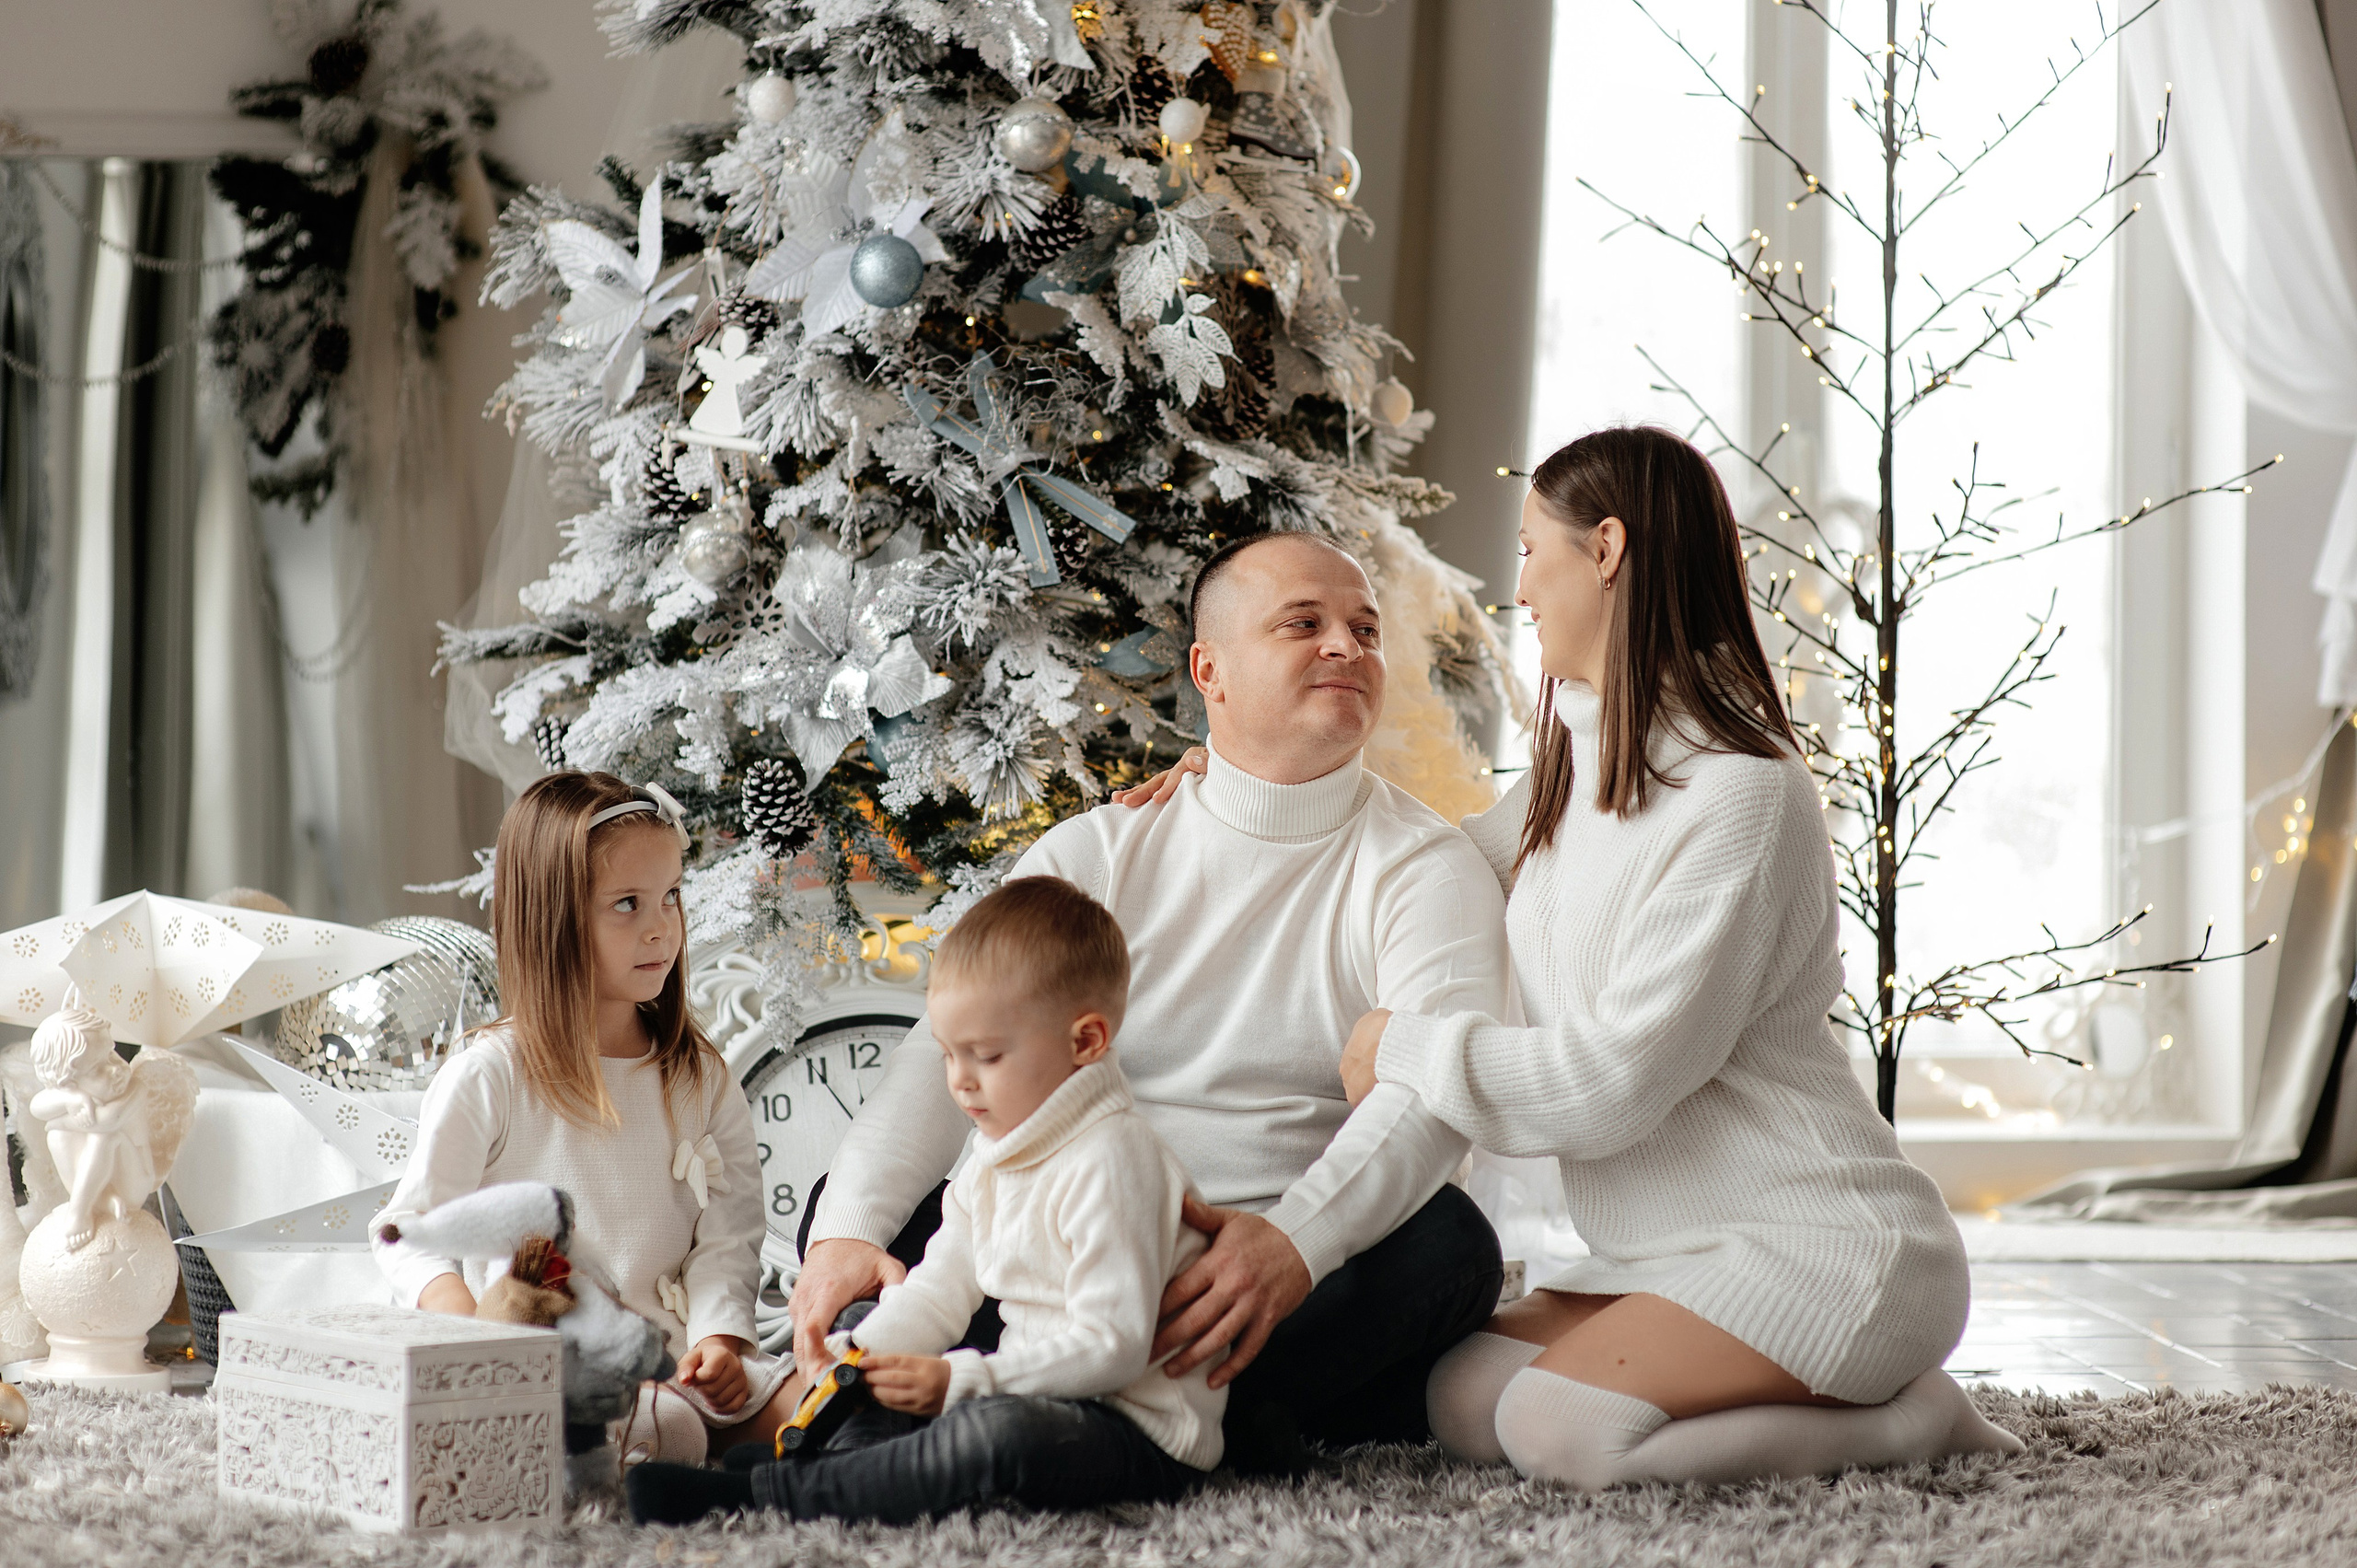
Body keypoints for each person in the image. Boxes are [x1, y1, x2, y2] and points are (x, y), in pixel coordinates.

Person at [1128, 427, 2023, 1488]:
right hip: (1663, 1253)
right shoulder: (1575, 757)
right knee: (1461, 1398)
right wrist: (1241, 783)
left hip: (1820, 1243)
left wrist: (1406, 1046)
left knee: (1565, 1429)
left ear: (1604, 548)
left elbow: (1613, 1080)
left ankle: (1911, 1422)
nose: (1521, 589)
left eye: (1528, 551)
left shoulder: (1742, 790)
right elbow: (1412, 872)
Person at [790, 531, 1514, 1469]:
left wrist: (1294, 1243)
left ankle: (1058, 1408)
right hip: (1076, 1248)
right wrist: (847, 1232)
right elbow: (947, 1049)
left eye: (1366, 630)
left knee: (1452, 1248)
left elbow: (1430, 1101)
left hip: (1256, 1277)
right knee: (850, 1208)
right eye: (1305, 623)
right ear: (1209, 671)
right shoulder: (1100, 849)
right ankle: (1150, 1415)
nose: (1347, 646)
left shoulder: (1421, 863)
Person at [627, 877, 1222, 1525]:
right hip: (1031, 1386)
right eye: (948, 1054)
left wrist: (960, 1382)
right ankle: (834, 1464)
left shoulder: (1115, 1159)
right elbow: (940, 1290)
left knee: (993, 1435)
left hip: (1134, 1426)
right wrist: (857, 1362)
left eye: (986, 1056)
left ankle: (775, 1496)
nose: (960, 1081)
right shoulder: (999, 1155)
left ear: (1085, 1042)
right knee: (867, 1328)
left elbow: (1113, 1347)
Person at [374, 772, 789, 1467]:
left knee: (820, 1405)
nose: (661, 926)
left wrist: (721, 1339)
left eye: (671, 897)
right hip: (552, 1369)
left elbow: (731, 1232)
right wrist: (472, 1333)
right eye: (627, 903)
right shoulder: (492, 1074)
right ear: (554, 917)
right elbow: (407, 1233)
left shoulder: (698, 1074)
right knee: (665, 1430)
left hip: (677, 1359)